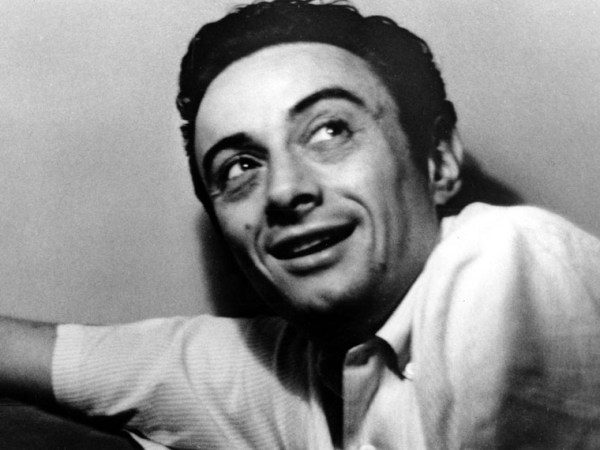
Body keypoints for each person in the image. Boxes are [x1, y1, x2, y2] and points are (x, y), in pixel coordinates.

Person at [1, 0, 600, 448]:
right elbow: (86, 361)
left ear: (438, 160)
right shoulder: (296, 371)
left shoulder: (506, 256)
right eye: (240, 166)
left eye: (329, 130)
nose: (285, 191)